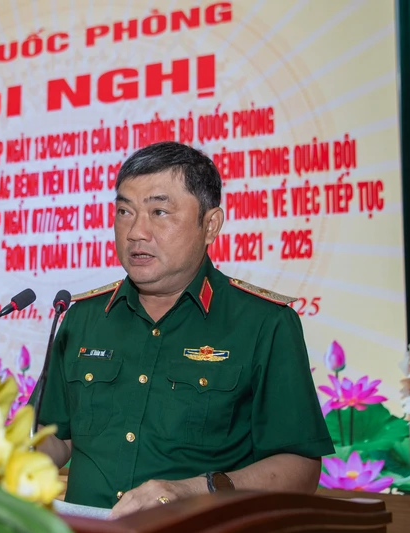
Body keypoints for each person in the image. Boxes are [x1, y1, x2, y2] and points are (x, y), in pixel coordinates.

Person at [33, 141, 334, 517]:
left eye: (159, 212)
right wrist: (6, 458)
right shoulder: (82, 317)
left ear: (210, 225)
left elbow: (301, 468)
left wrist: (195, 490)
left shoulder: (264, 322)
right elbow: (56, 437)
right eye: (124, 211)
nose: (136, 232)